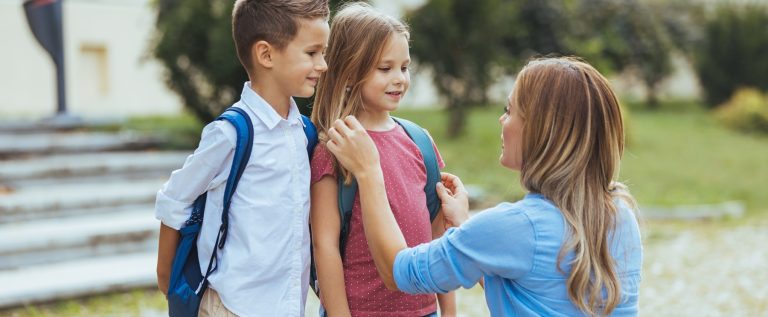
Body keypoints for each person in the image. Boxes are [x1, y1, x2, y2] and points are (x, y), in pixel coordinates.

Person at [325, 57, 643, 316]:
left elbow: (400, 272)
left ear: (540, 132)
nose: (501, 121)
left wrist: (369, 172)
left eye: (510, 110)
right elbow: (532, 282)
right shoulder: (620, 214)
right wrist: (465, 226)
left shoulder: (516, 227)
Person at [154, 0, 330, 316]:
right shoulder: (231, 133)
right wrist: (168, 281)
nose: (323, 64)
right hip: (231, 306)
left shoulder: (304, 133)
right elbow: (174, 200)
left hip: (287, 307)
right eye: (312, 53)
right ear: (266, 55)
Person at [309, 3, 456, 316]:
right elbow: (325, 247)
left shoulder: (420, 141)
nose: (399, 79)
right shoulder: (333, 150)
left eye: (404, 67)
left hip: (424, 311)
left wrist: (449, 311)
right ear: (349, 73)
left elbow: (438, 238)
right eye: (385, 68)